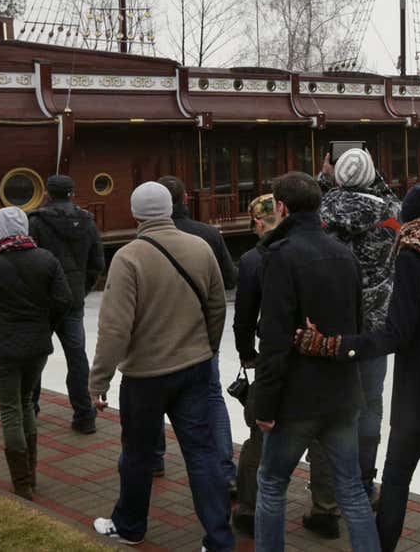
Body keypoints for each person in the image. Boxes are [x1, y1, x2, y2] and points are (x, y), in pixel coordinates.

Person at [293, 182, 420, 551]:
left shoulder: (412, 256)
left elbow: (397, 334)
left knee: (397, 477)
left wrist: (336, 345)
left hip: (419, 394)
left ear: (410, 214)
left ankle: (384, 545)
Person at [89, 182, 232, 549]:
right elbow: (217, 307)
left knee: (137, 456)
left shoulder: (128, 257)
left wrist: (99, 381)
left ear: (135, 213)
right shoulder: (201, 246)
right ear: (171, 207)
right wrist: (207, 348)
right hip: (196, 366)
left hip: (144, 376)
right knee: (202, 454)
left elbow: (115, 327)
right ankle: (219, 539)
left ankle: (130, 526)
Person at [249, 171, 379, 552]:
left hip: (296, 398)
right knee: (351, 489)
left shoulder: (280, 256)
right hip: (342, 393)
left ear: (282, 207)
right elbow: (356, 324)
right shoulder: (345, 255)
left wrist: (265, 404)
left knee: (271, 484)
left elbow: (274, 339)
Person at [233, 193, 341, 538]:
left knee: (260, 434)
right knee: (323, 439)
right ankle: (325, 510)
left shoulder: (253, 259)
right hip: (320, 354)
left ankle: (249, 510)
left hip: (274, 356)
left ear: (260, 221)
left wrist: (246, 352)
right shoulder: (325, 248)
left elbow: (244, 318)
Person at [0, 207, 71, 500]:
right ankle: (31, 475)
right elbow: (64, 300)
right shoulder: (46, 259)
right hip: (36, 344)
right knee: (25, 403)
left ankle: (22, 482)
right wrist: (46, 324)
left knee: (10, 410)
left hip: (2, 345)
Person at [317, 148, 401, 502]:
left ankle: (328, 489)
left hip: (328, 324)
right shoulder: (391, 214)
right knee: (371, 405)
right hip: (374, 327)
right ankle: (364, 483)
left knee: (327, 405)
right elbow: (392, 197)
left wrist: (325, 180)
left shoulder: (319, 213)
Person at [157, 174, 238, 493]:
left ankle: (154, 459)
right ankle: (225, 469)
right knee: (212, 397)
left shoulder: (143, 241)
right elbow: (229, 281)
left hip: (160, 334)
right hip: (203, 334)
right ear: (185, 200)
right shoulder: (207, 235)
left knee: (155, 396)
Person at [26, 174, 105, 433]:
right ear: (72, 194)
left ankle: (30, 408)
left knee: (35, 353)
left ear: (48, 193)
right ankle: (84, 415)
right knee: (77, 356)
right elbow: (97, 264)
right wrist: (81, 288)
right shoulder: (88, 222)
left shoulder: (35, 221)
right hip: (73, 298)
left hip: (43, 300)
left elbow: (29, 259)